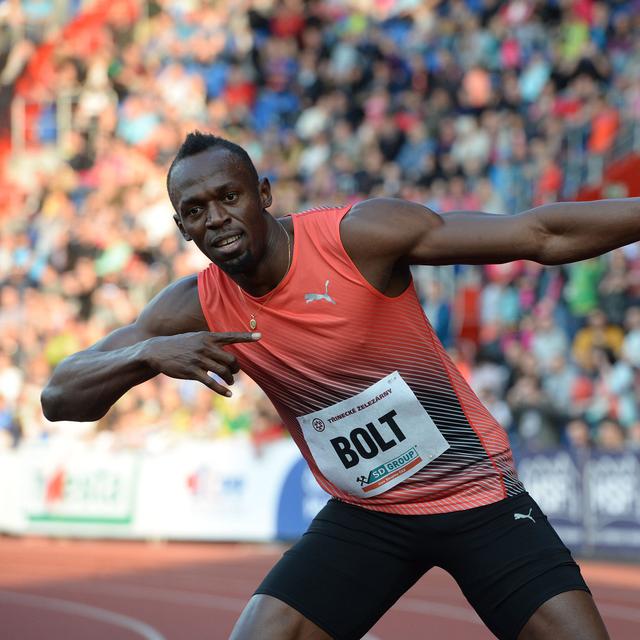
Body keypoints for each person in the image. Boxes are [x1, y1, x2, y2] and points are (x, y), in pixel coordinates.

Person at [42, 131, 633, 640]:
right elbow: (59, 396)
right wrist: (149, 352)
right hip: (368, 514)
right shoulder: (194, 307)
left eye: (229, 196)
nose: (216, 218)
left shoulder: (358, 239)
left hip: (478, 497)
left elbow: (540, 236)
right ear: (181, 227)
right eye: (195, 210)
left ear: (264, 194)